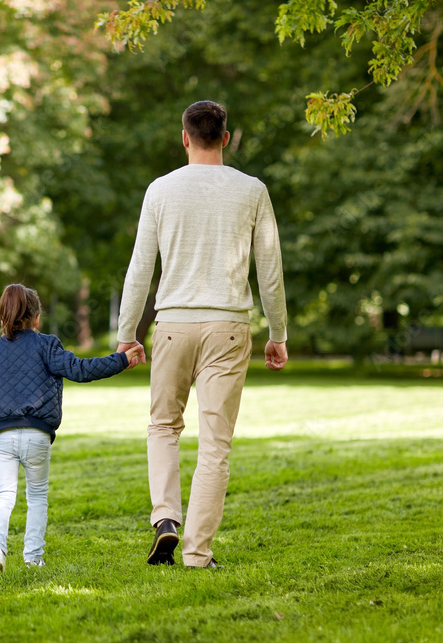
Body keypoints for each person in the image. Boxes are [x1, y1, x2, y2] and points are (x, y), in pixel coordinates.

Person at [116, 101, 289, 569]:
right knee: (215, 444)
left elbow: (140, 268)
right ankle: (196, 553)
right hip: (229, 327)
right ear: (226, 138)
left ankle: (166, 518)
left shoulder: (160, 190)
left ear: (185, 137)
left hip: (171, 324)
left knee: (163, 427)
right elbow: (269, 270)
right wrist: (278, 333)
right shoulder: (252, 190)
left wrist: (126, 333)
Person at [0, 284, 141, 570]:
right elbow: (82, 370)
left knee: (3, 495)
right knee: (37, 497)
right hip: (37, 433)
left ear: (2, 317)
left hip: (1, 435)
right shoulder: (47, 345)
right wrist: (121, 359)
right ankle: (33, 558)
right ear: (37, 318)